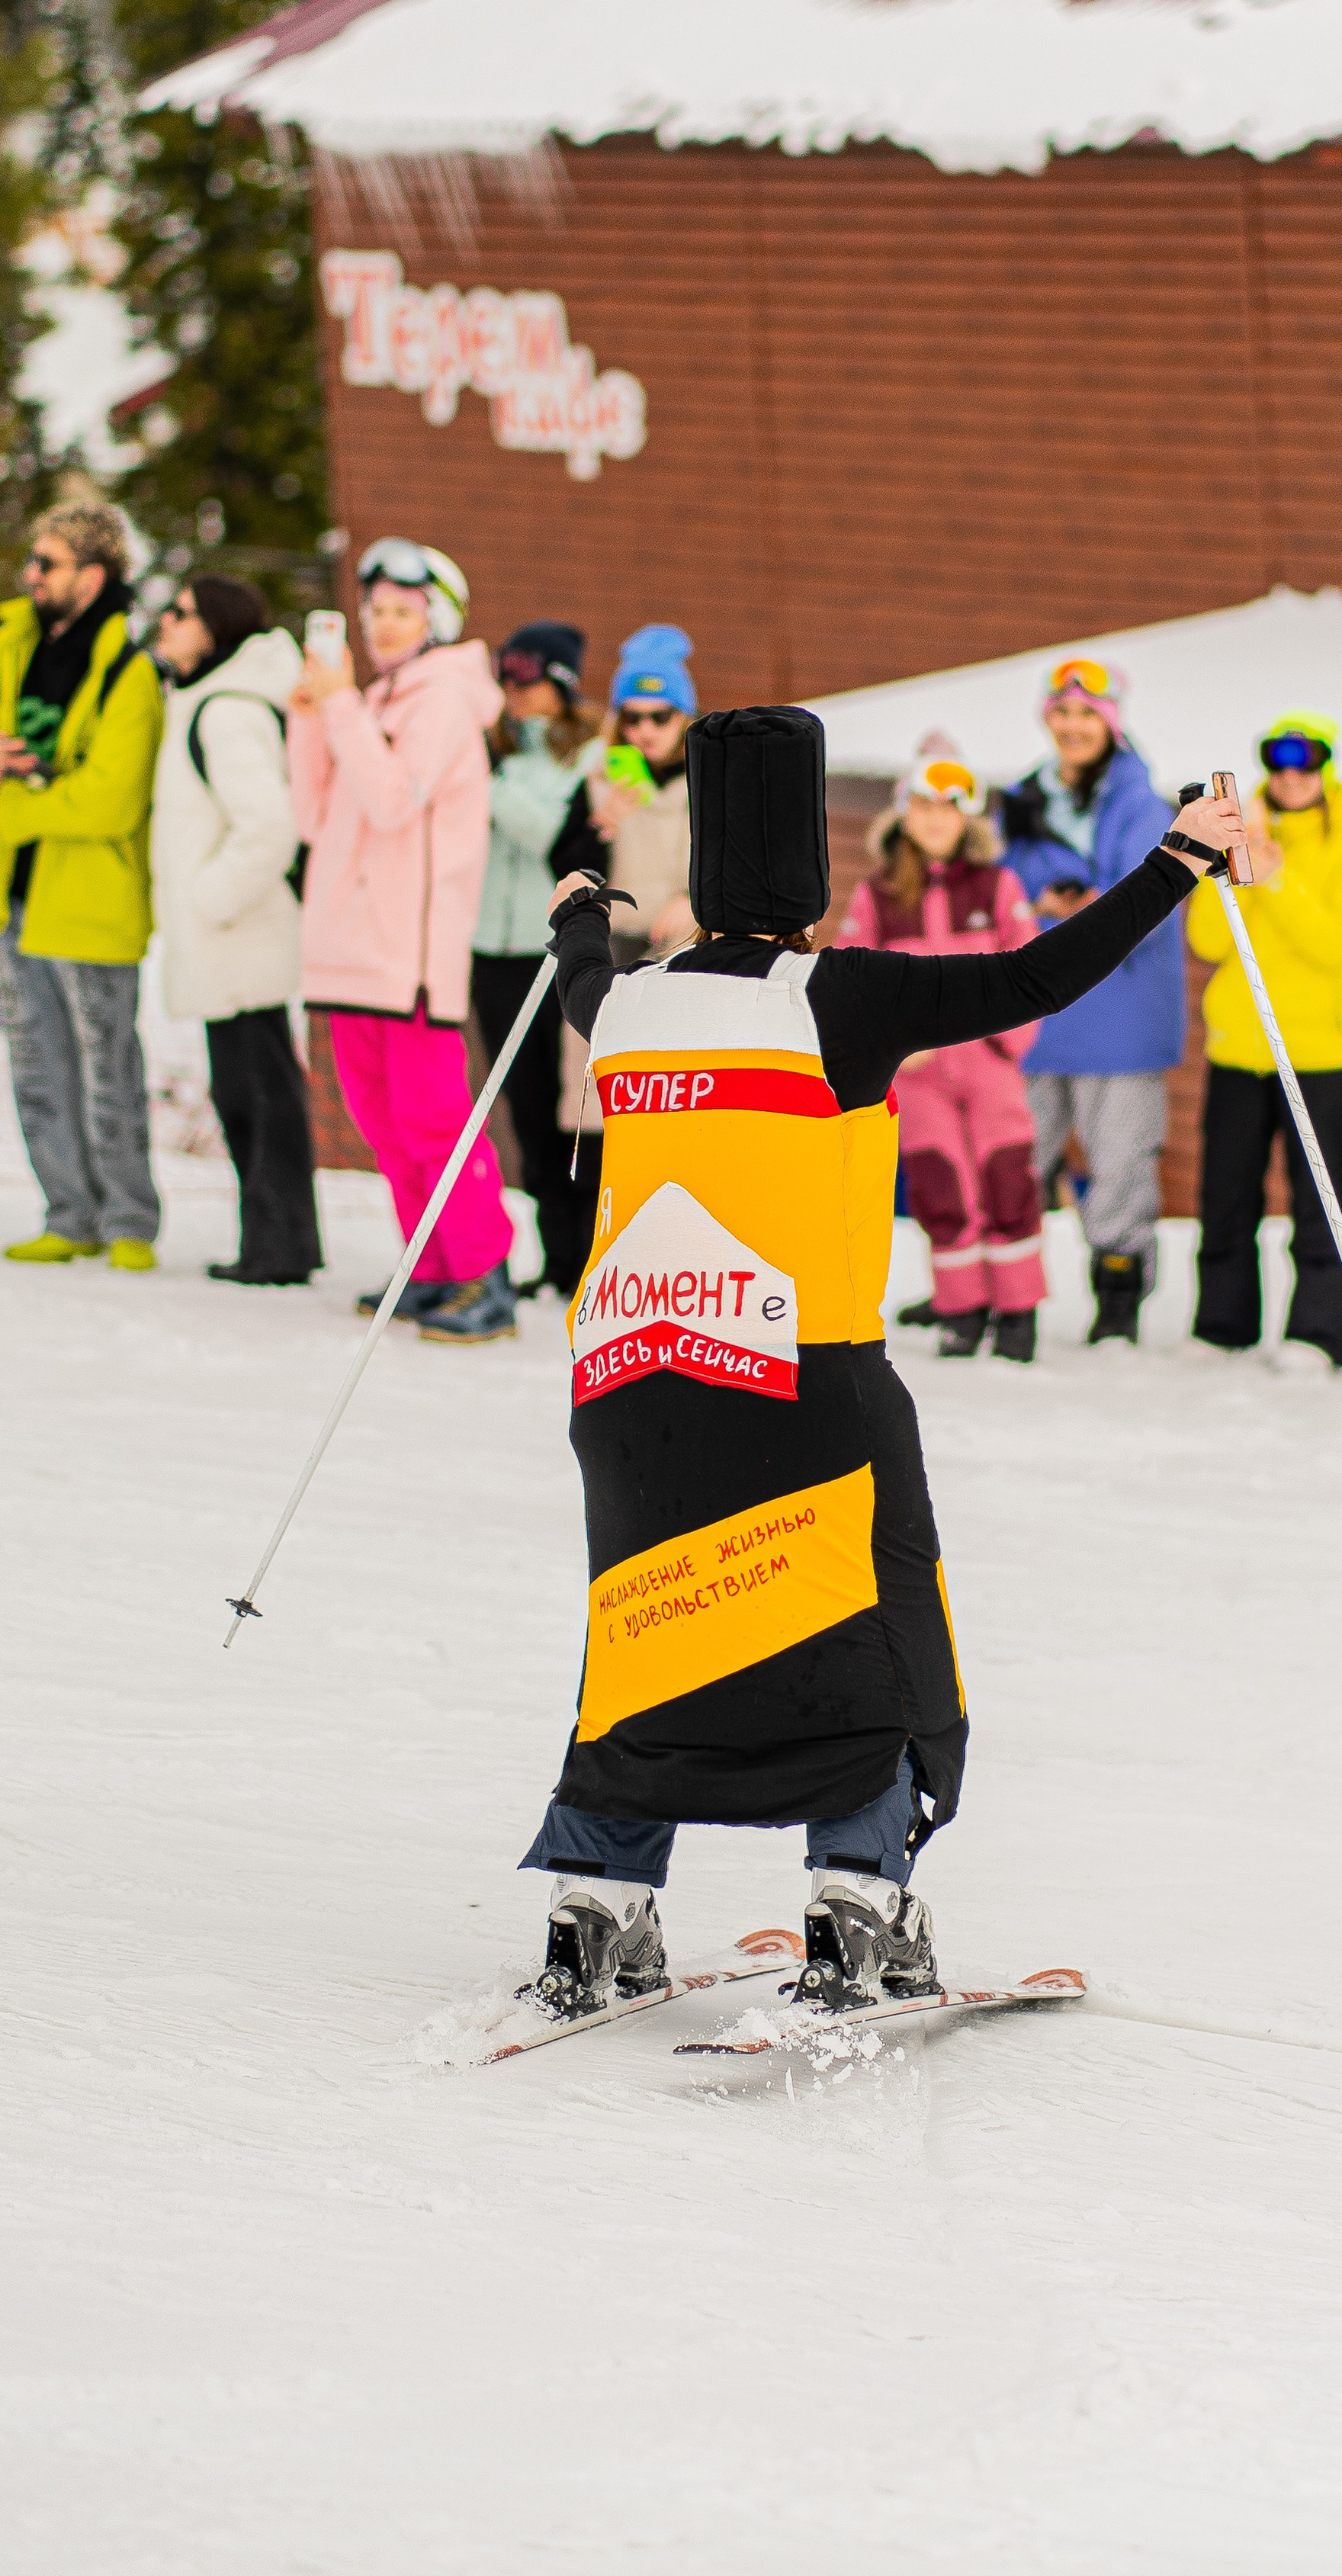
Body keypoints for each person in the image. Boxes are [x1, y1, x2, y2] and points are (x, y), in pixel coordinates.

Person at [520, 709, 1243, 2017]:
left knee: (646, 1631)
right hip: (801, 1381)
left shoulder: (626, 1003)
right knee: (875, 1633)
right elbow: (1033, 979)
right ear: (804, 875)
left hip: (631, 1379)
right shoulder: (838, 996)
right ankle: (858, 1905)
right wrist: (1178, 864)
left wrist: (580, 907)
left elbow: (577, 966)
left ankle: (596, 1907)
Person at [288, 536, 518, 1344]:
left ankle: (484, 1274)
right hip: (349, 951)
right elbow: (316, 818)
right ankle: (430, 1265)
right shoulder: (375, 702)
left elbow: (391, 802)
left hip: (409, 956)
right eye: (374, 610)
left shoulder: (444, 701)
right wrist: (312, 721)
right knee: (381, 1122)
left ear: (435, 620)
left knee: (432, 1120)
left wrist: (342, 708)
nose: (381, 626)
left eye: (400, 612)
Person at [0, 503, 164, 1270]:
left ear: (93, 574)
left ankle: (128, 1221)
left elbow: (110, 797)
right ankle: (68, 1213)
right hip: (11, 898)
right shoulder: (7, 651)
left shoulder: (128, 670)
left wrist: (10, 802)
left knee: (106, 1065)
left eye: (46, 563)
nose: (30, 576)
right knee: (36, 1060)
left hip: (90, 901)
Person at [1186, 713, 1342, 1373]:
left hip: (1323, 1054)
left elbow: (1338, 944)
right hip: (1241, 1047)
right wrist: (1235, 866)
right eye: (1279, 762)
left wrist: (1278, 880)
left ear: (1326, 768)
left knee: (1317, 1195)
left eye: (1307, 763)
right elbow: (1209, 942)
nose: (1292, 776)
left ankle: (1317, 1332)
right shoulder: (1237, 838)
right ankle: (1223, 1324)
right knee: (1227, 1192)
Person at [837, 738, 1045, 1363]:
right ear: (902, 815)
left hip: (987, 1064)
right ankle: (961, 1308)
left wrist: (1006, 1043)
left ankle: (1017, 1310)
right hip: (920, 1073)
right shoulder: (877, 895)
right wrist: (894, 1047)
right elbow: (854, 977)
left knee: (1006, 1177)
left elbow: (1031, 967)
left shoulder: (996, 884)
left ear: (967, 818)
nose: (934, 819)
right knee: (943, 1187)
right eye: (922, 806)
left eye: (947, 808)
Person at [998, 657, 1183, 1345]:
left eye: (1087, 714)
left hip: (1121, 1015)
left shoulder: (1143, 806)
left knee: (1120, 1162)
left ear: (1110, 723)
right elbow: (997, 892)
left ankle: (1119, 1292)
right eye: (1062, 713)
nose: (1073, 727)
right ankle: (994, 1291)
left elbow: (1149, 899)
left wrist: (1058, 912)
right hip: (1034, 1013)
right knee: (1015, 1155)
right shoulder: (1020, 802)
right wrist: (1039, 906)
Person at [151, 573, 321, 1286]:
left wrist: (206, 898)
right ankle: (273, 1243)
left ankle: (279, 1248)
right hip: (230, 940)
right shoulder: (202, 700)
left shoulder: (225, 711)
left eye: (181, 613)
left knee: (260, 1095)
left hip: (241, 935)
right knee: (247, 1095)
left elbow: (269, 828)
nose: (164, 621)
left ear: (216, 630)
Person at [470, 622, 608, 1300]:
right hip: (488, 949)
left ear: (560, 683)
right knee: (522, 1109)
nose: (512, 694)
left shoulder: (588, 755)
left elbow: (551, 834)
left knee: (570, 1110)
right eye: (505, 679)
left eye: (525, 680)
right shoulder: (491, 746)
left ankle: (584, 1257)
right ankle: (555, 1260)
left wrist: (489, 779)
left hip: (549, 949)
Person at [596, 625, 695, 971]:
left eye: (660, 717)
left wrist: (692, 900)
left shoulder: (709, 782)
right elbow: (567, 869)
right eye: (632, 717)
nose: (645, 731)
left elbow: (732, 863)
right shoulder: (598, 777)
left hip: (684, 943)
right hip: (612, 940)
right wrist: (599, 827)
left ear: (683, 717)